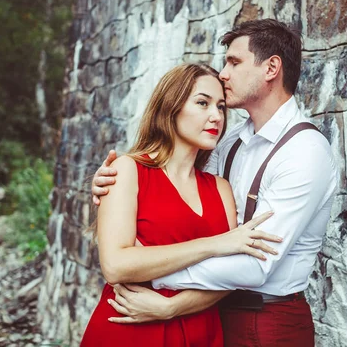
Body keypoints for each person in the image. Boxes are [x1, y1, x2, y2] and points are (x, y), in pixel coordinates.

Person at [92, 19, 338, 346]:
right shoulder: (228, 143)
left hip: (265, 318)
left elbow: (254, 265)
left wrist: (150, 275)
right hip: (209, 316)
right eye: (204, 103)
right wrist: (110, 185)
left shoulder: (304, 152)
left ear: (271, 68)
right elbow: (169, 183)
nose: (224, 73)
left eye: (234, 62)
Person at [80, 63, 282, 347]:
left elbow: (232, 276)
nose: (216, 116)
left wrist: (173, 307)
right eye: (202, 103)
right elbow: (115, 266)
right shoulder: (128, 170)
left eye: (221, 107)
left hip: (202, 331)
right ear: (170, 107)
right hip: (131, 329)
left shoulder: (220, 189)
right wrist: (215, 245)